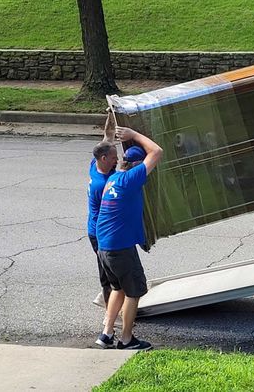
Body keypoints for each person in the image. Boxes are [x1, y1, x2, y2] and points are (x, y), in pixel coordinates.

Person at [94, 126, 163, 351]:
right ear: (135, 165)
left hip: (104, 247)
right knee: (134, 292)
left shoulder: (112, 178)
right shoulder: (130, 179)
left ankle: (105, 334)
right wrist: (133, 135)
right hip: (120, 248)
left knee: (118, 289)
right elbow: (157, 151)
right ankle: (126, 339)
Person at [88, 114, 118, 310]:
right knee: (108, 276)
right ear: (104, 158)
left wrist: (111, 114)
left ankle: (106, 300)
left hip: (98, 230)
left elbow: (108, 136)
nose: (118, 159)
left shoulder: (95, 165)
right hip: (99, 233)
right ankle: (110, 315)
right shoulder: (103, 184)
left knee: (111, 272)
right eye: (115, 157)